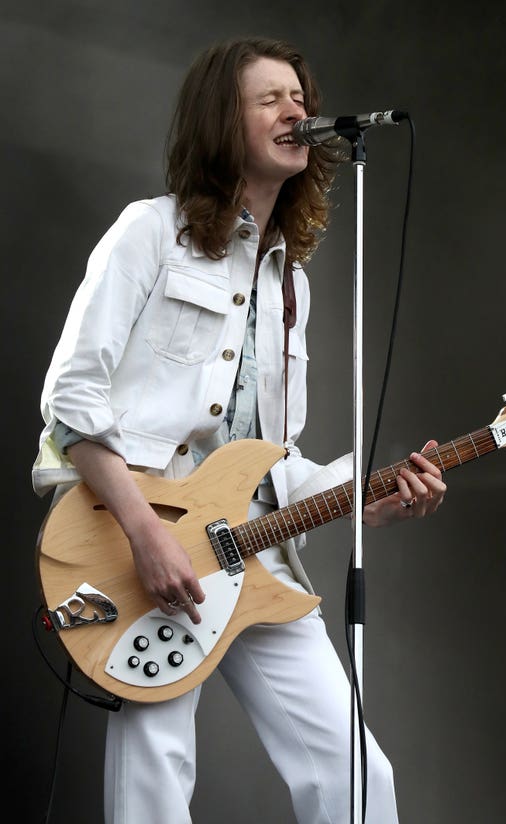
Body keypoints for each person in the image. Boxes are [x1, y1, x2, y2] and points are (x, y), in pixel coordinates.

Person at [32, 37, 447, 824]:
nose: (298, 111)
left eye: (300, 97)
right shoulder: (147, 235)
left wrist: (367, 497)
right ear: (225, 121)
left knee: (359, 778)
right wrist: (144, 534)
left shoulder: (293, 286)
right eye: (272, 100)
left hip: (255, 554)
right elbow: (71, 397)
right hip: (136, 544)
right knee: (155, 780)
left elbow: (271, 463)